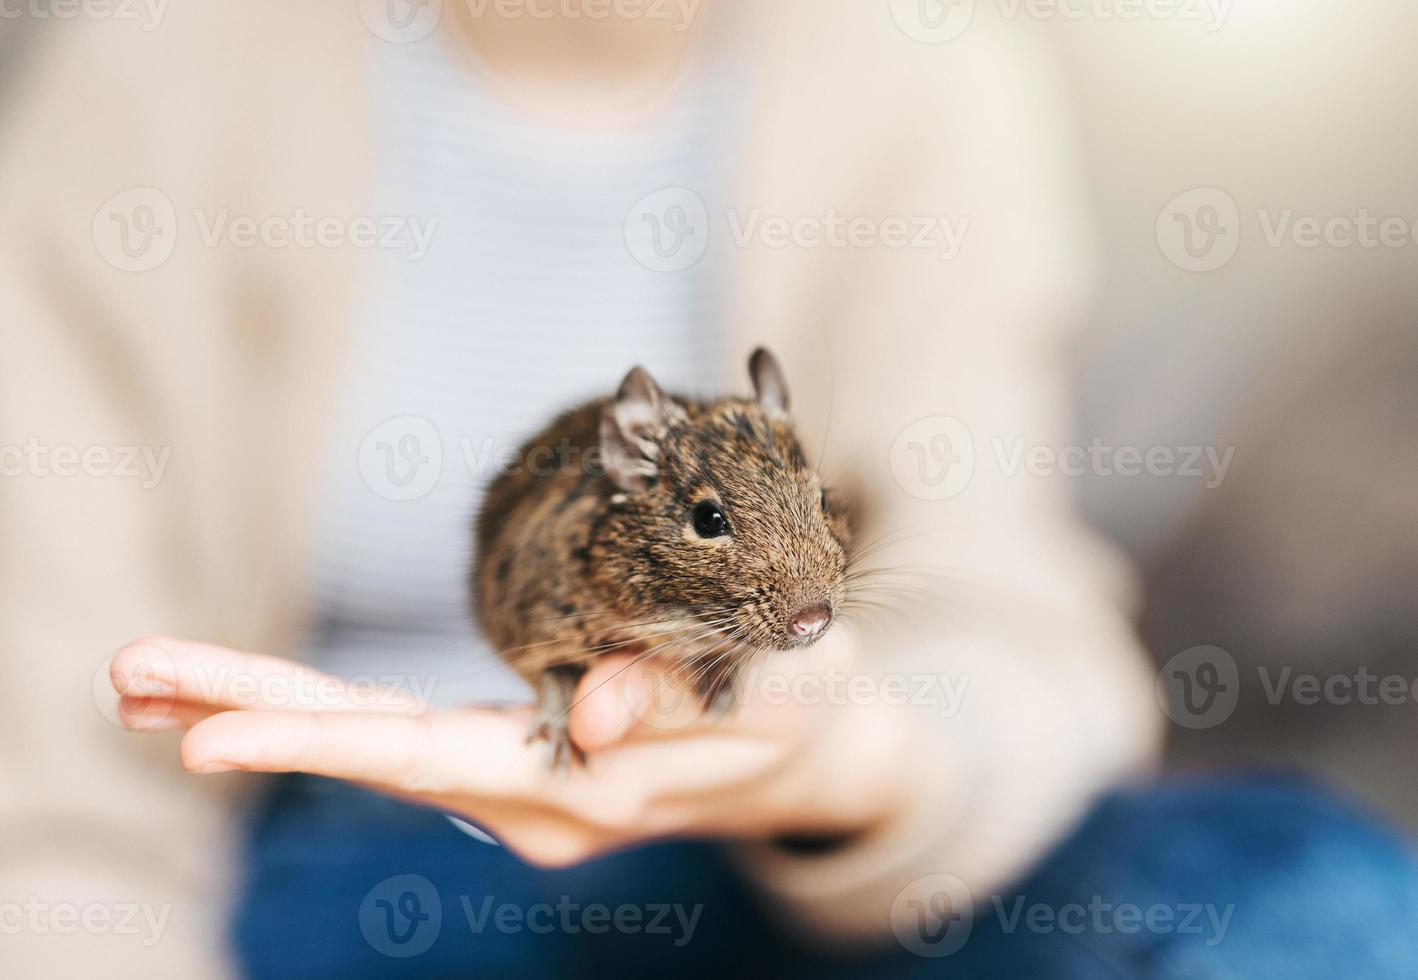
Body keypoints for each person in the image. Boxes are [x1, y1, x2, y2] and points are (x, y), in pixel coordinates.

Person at [5, 1, 1417, 976]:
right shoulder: (152, 78)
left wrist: (855, 761)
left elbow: (1009, 614)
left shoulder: (928, 76)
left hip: (802, 853)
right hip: (338, 858)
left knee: (1309, 901)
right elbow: (52, 750)